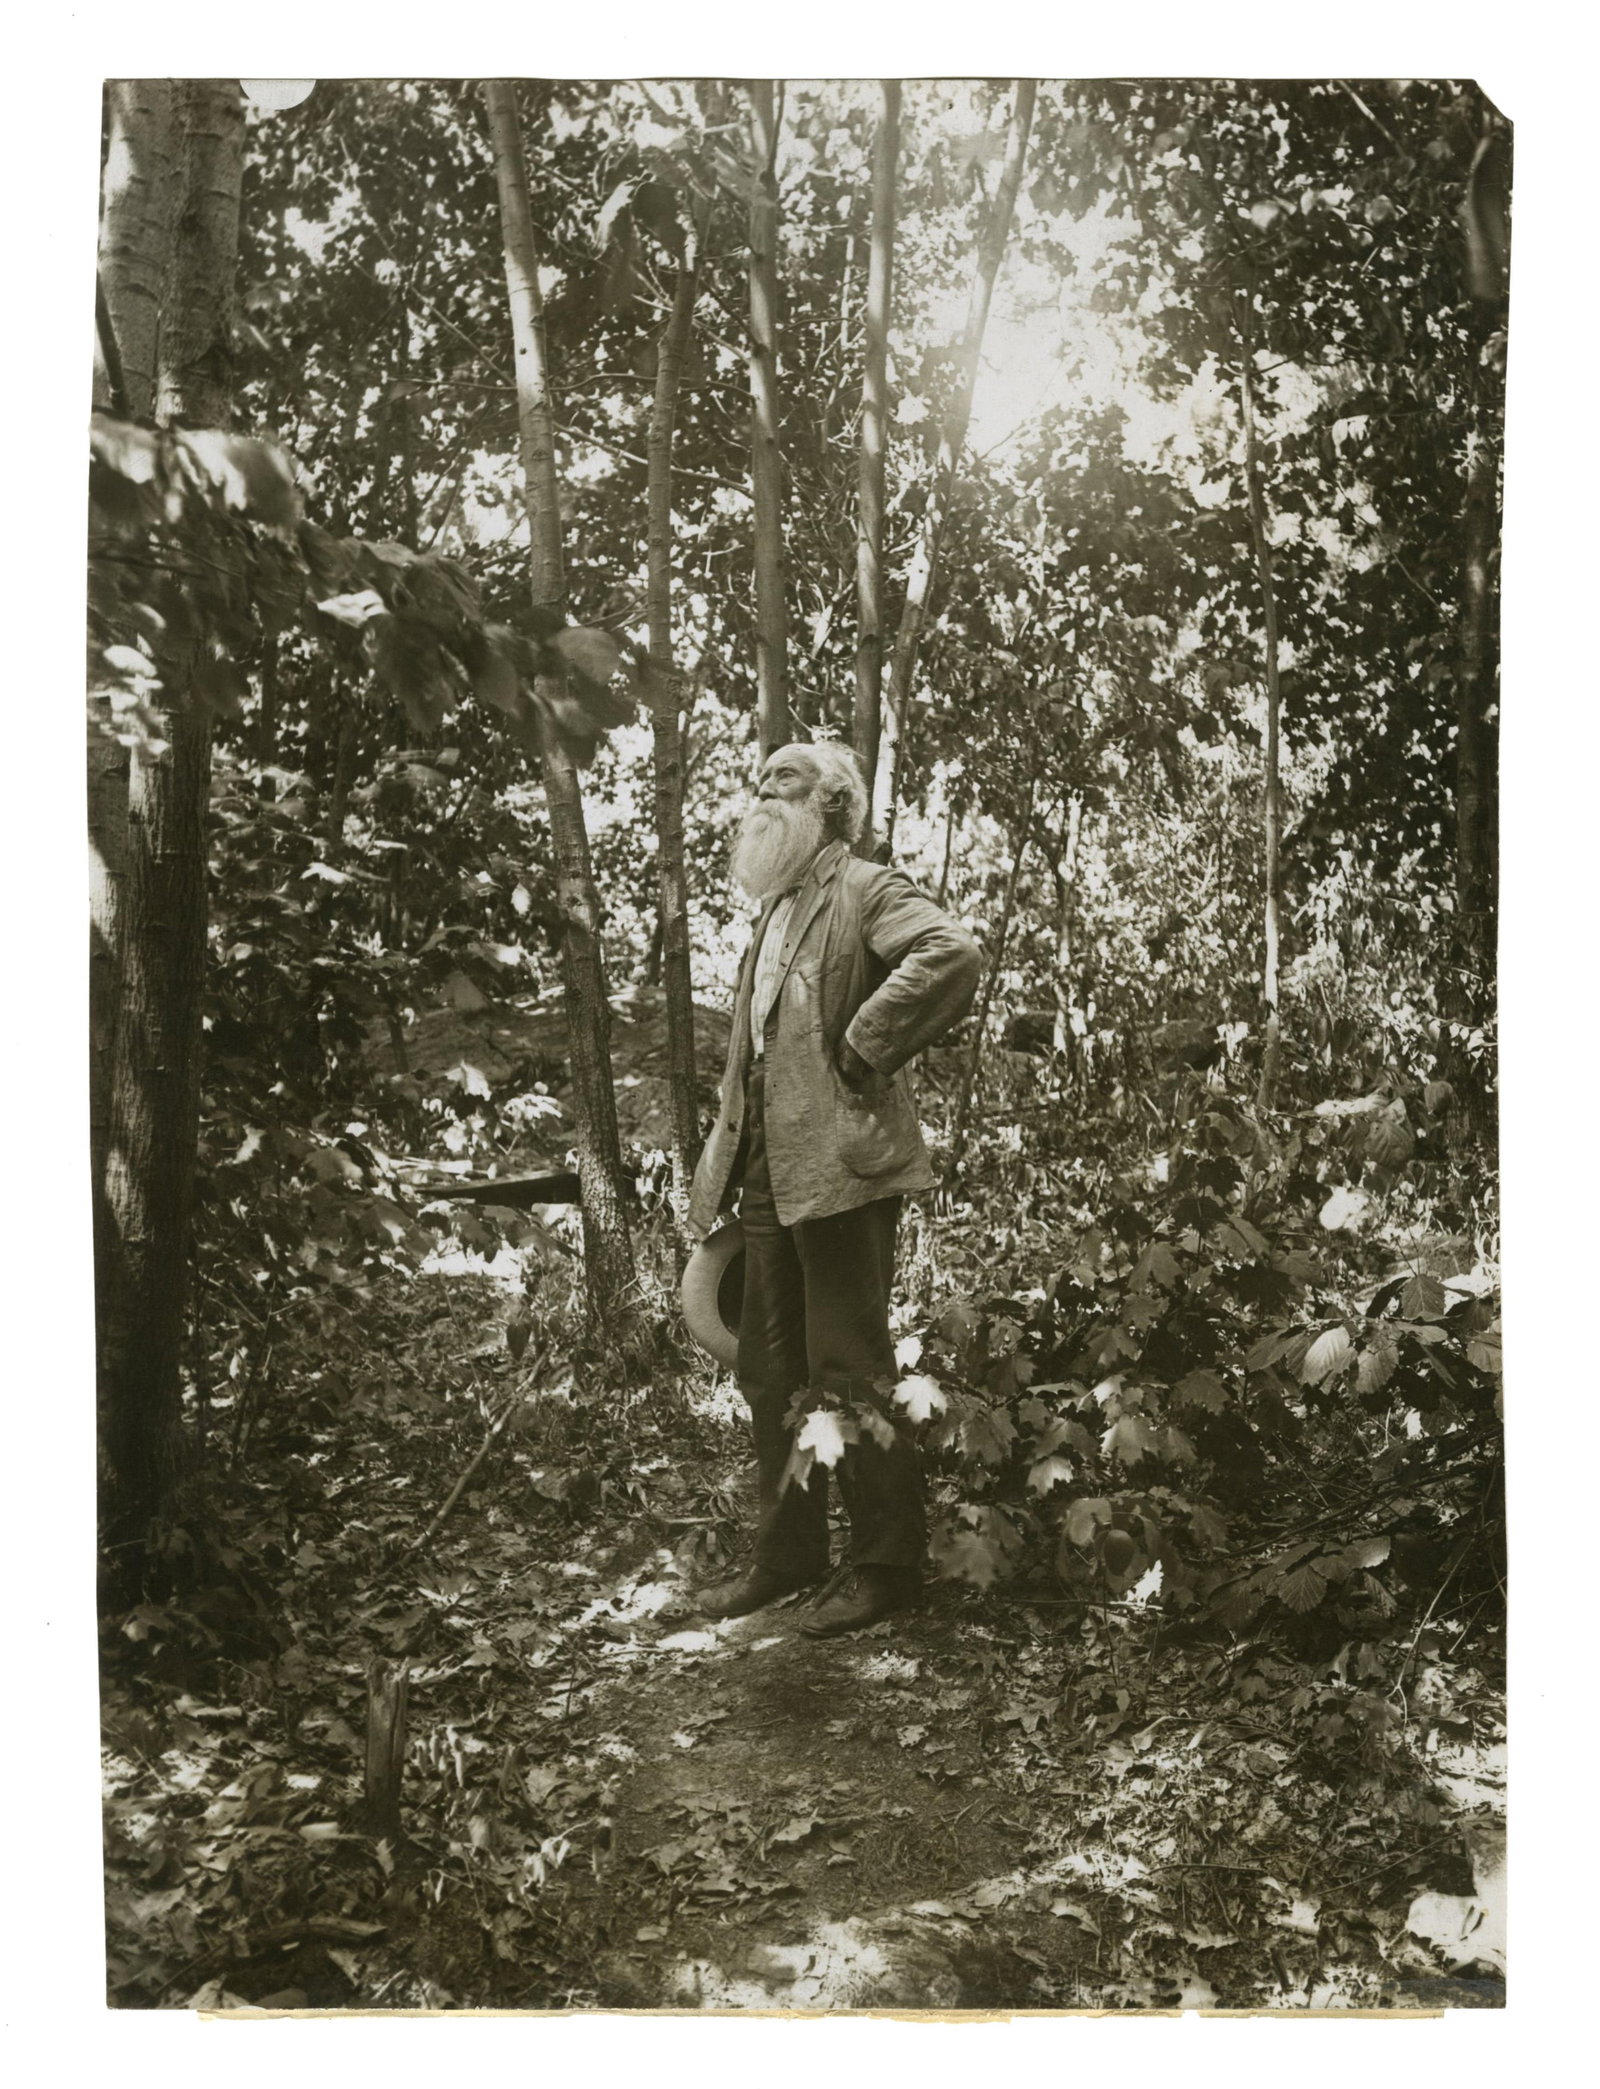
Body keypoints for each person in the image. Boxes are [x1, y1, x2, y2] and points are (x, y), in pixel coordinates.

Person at [688, 740, 982, 1635]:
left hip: (846, 1170)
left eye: (784, 784)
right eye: (759, 784)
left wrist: (864, 1044)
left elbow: (951, 950)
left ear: (833, 804)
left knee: (847, 1367)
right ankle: (788, 1556)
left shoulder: (865, 887)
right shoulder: (773, 910)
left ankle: (886, 1566)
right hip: (769, 1176)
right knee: (770, 1372)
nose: (762, 795)